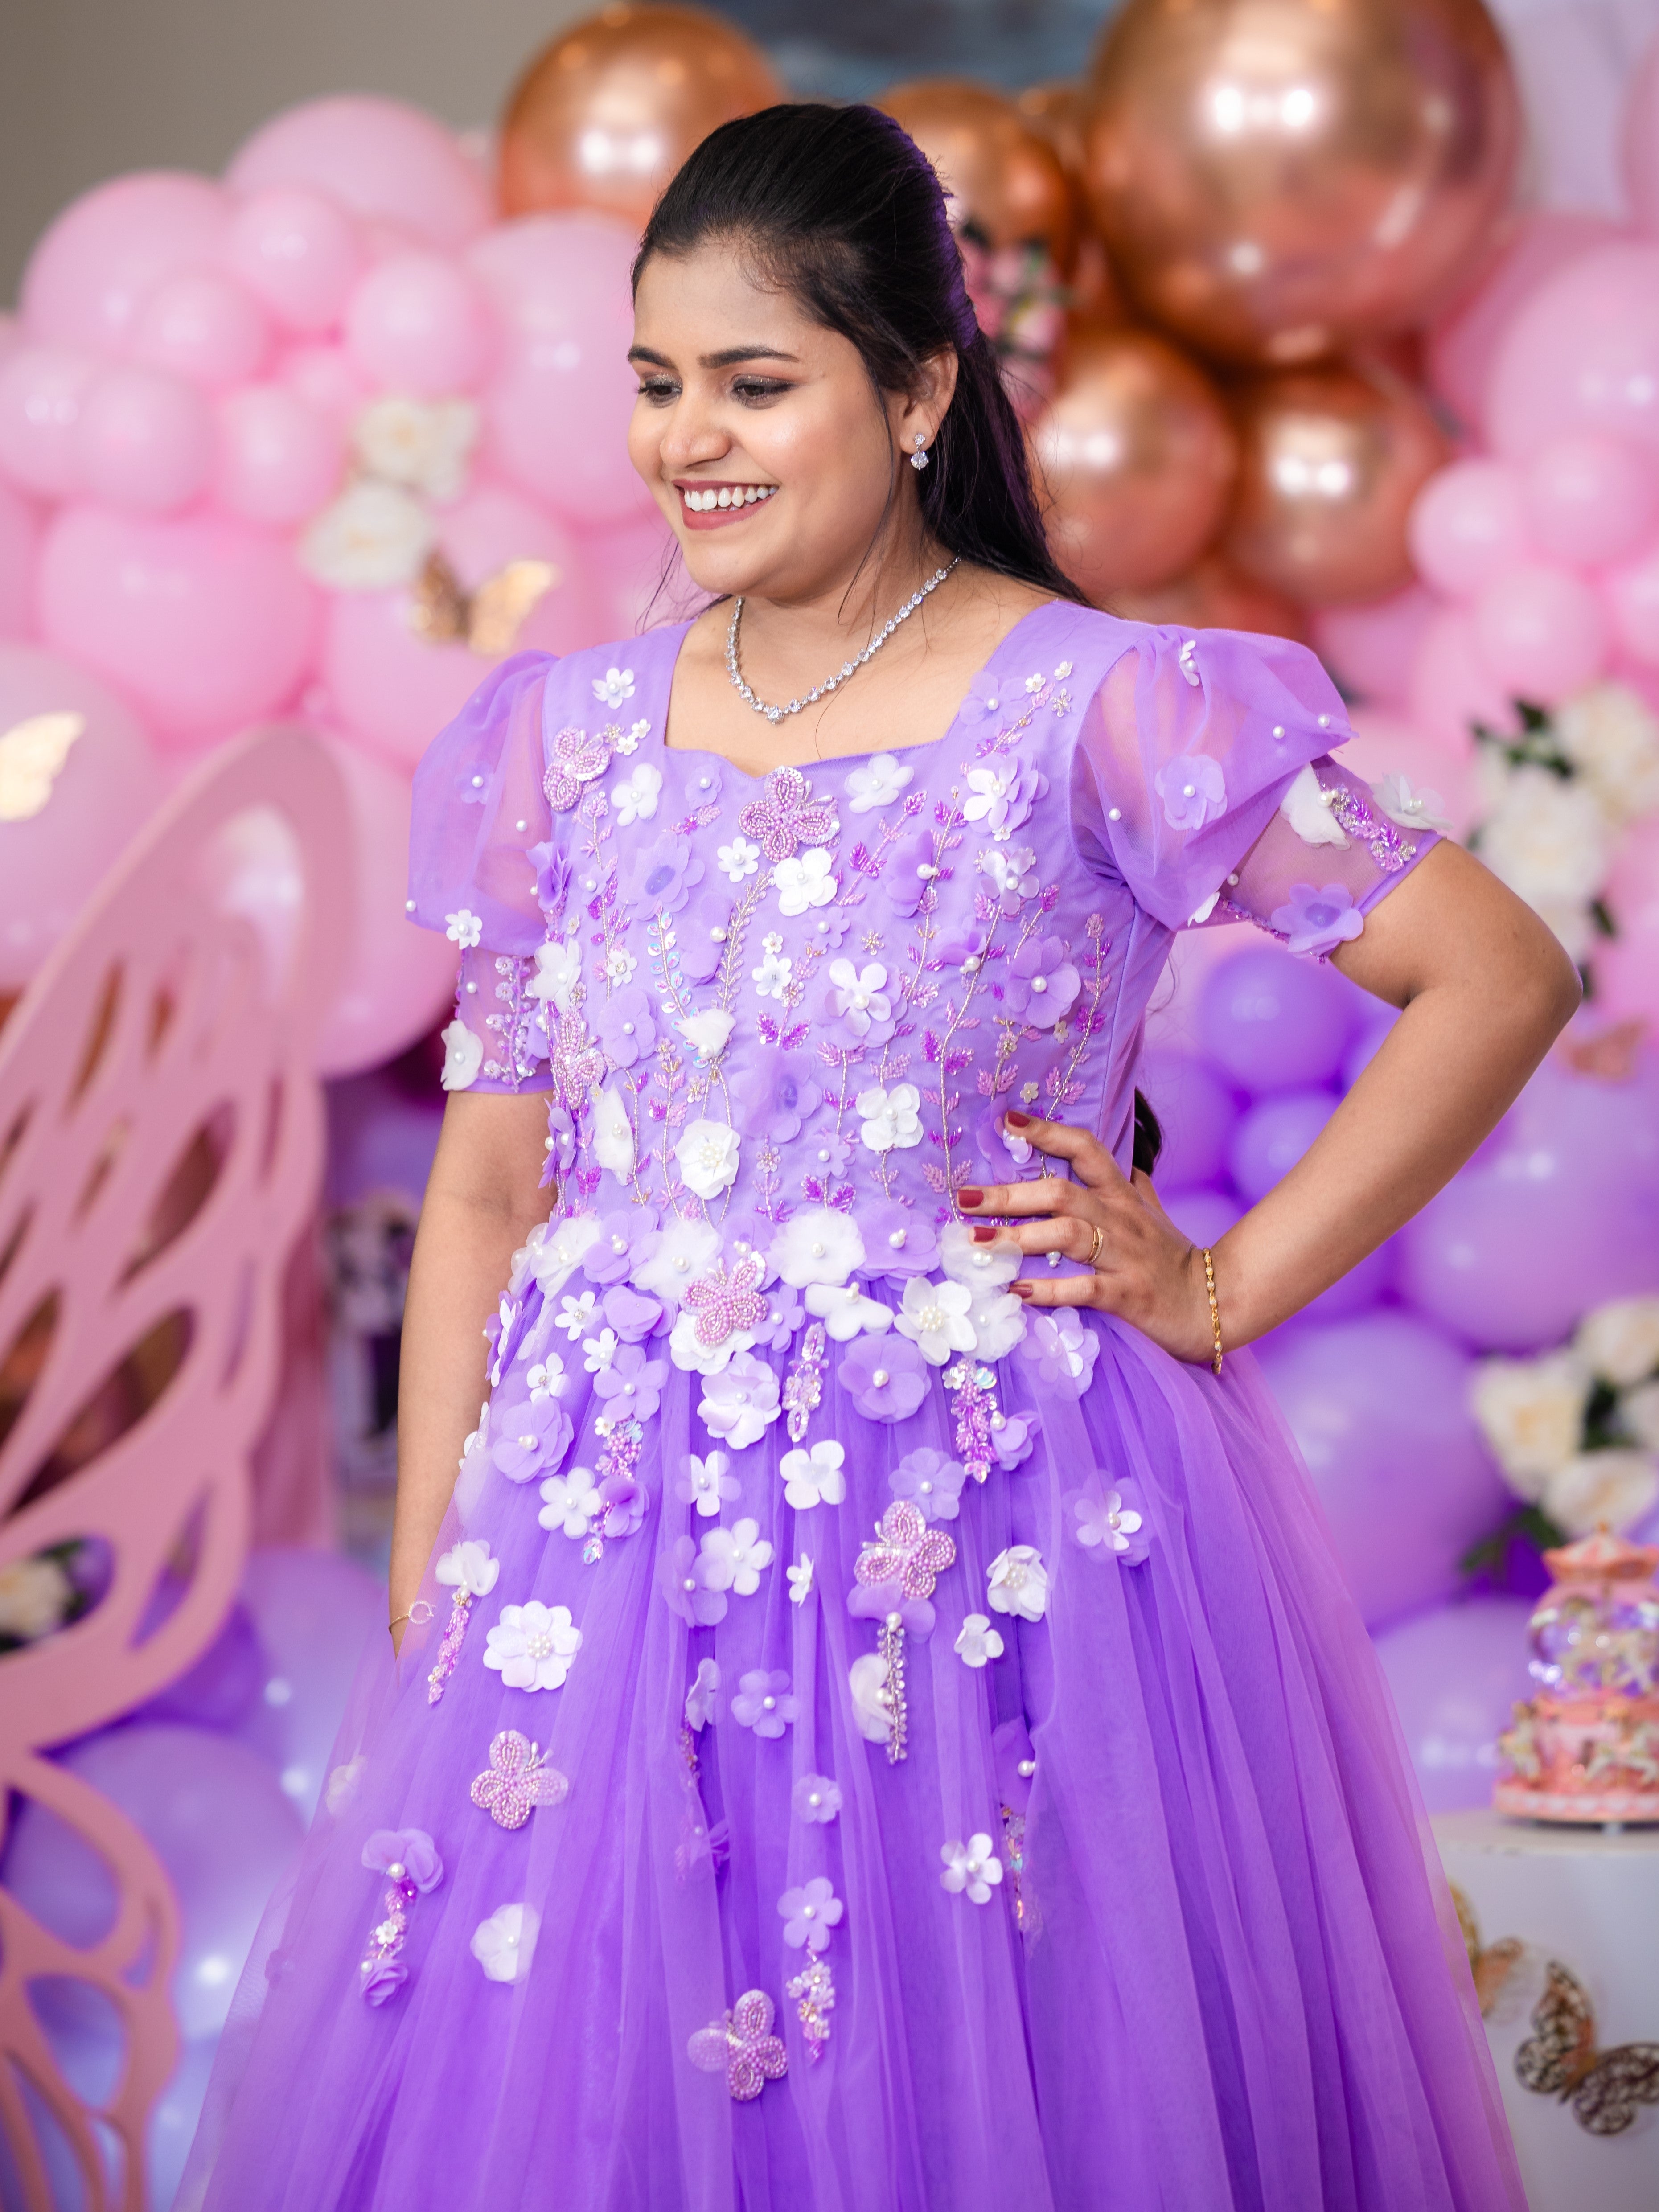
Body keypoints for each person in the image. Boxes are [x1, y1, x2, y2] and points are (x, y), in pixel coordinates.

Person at [186, 103, 1566, 2211]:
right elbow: (486, 1187)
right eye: (655, 382)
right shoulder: (562, 738)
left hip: (997, 1545)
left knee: (988, 2097)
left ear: (917, 388)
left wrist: (1216, 1287)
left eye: (757, 381)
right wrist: (437, 1586)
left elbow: (1491, 969)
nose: (687, 441)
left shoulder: (1106, 701)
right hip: (604, 1556)